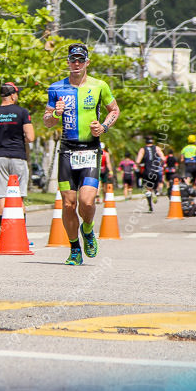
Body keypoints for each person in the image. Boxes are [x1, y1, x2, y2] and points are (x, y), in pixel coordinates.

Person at [44, 43, 119, 266]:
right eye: (72, 59)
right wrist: (55, 114)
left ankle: (87, 230)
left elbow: (114, 110)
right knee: (68, 204)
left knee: (86, 201)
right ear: (68, 62)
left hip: (90, 150)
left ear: (87, 62)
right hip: (67, 150)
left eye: (80, 60)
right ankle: (75, 248)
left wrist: (104, 127)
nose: (76, 63)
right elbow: (47, 122)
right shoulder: (56, 88)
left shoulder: (99, 86)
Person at [0, 82, 35, 229]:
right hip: (18, 157)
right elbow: (31, 137)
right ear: (12, 95)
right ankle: (20, 233)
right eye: (16, 94)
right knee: (18, 197)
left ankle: (4, 235)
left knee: (2, 197)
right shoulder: (22, 112)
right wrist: (19, 139)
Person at [135, 135, 165, 212]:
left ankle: (150, 206)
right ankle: (155, 192)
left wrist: (138, 167)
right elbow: (163, 158)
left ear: (145, 142)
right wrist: (160, 163)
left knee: (147, 189)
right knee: (155, 186)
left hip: (147, 171)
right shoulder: (157, 148)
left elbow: (138, 161)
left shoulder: (143, 149)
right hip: (155, 171)